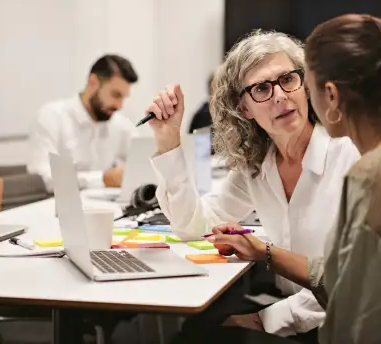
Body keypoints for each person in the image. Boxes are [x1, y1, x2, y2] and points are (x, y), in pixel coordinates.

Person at [200, 14, 381, 343]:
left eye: (298, 81)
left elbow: (352, 323)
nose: (289, 96)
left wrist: (262, 320)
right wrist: (264, 253)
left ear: (331, 95)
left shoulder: (373, 176)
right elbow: (345, 277)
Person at [146, 31, 360, 340]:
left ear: (306, 85)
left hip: (339, 324)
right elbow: (195, 226)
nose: (280, 96)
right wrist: (167, 141)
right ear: (243, 108)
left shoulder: (349, 158)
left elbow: (354, 280)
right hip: (289, 307)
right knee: (196, 328)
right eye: (262, 88)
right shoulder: (259, 165)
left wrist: (265, 320)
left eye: (288, 79)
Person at [28, 54, 138, 192]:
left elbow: (142, 161)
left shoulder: (120, 124)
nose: (119, 105)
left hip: (110, 208)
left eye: (124, 97)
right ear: (93, 82)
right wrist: (103, 179)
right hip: (60, 208)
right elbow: (41, 176)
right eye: (115, 95)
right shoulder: (51, 117)